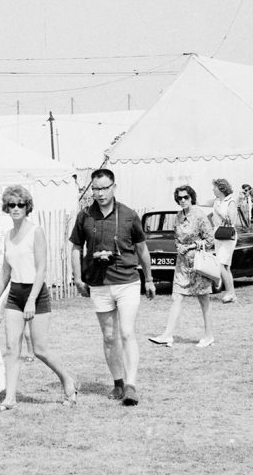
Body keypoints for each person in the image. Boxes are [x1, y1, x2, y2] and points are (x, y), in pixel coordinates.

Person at [69, 169, 154, 405]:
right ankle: (117, 383)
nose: (100, 193)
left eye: (104, 188)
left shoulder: (128, 214)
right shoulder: (84, 215)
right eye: (95, 189)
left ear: (114, 187)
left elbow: (142, 249)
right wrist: (78, 278)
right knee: (108, 336)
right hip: (98, 284)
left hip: (127, 281)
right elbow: (76, 248)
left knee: (127, 332)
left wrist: (149, 279)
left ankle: (131, 386)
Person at [0, 185, 78, 412]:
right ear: (6, 208)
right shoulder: (7, 236)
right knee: (12, 348)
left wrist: (31, 301)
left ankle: (68, 380)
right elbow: (5, 272)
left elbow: (41, 270)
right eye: (12, 205)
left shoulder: (35, 231)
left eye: (20, 204)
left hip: (36, 294)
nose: (16, 208)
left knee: (39, 349)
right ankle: (10, 398)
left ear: (27, 207)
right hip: (15, 294)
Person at [148, 185, 215, 347]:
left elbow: (210, 239)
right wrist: (179, 246)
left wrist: (191, 246)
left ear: (192, 197)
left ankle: (209, 335)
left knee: (203, 299)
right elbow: (176, 237)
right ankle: (168, 334)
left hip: (198, 263)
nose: (183, 200)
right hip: (182, 263)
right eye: (180, 198)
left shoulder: (199, 215)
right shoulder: (178, 216)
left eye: (186, 197)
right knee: (176, 296)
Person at [200, 178, 238, 304]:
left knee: (221, 264)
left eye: (214, 187)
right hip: (218, 234)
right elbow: (201, 202)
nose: (213, 189)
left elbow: (231, 220)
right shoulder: (216, 201)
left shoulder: (231, 201)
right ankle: (231, 293)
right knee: (226, 266)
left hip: (227, 235)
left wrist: (220, 211)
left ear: (221, 189)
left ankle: (230, 293)